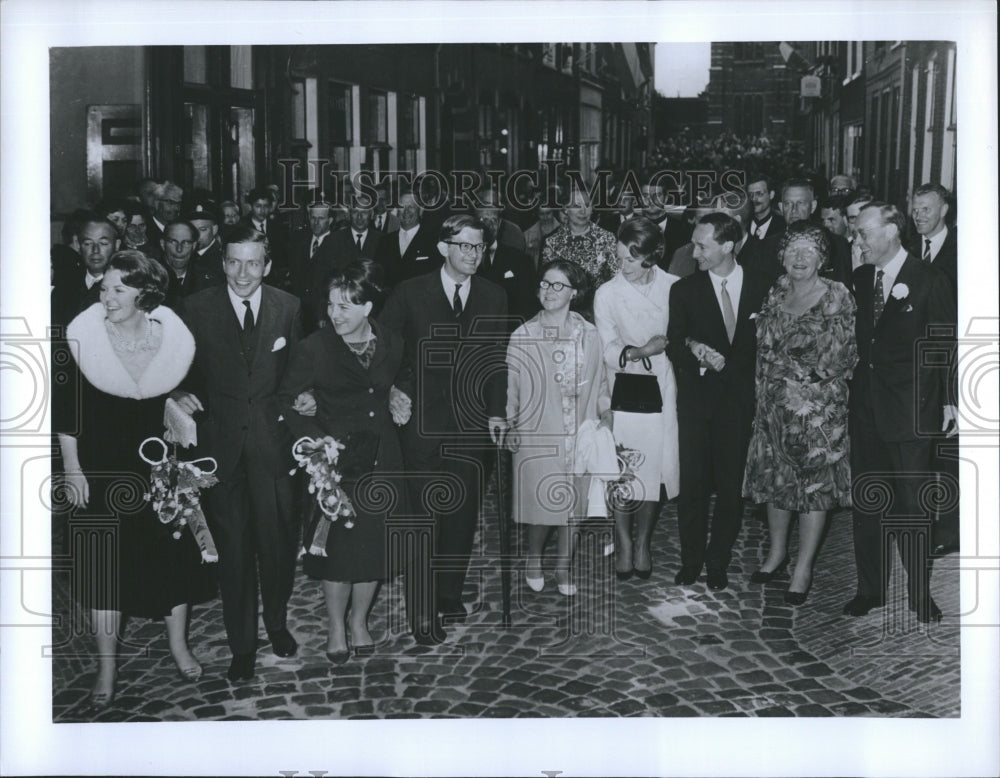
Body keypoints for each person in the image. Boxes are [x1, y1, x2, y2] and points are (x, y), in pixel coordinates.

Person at [54, 250, 215, 708]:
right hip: (102, 469)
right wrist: (72, 468)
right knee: (104, 568)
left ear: (145, 293)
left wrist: (183, 394)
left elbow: (197, 385)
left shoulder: (173, 338)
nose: (107, 297)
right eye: (104, 287)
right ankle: (107, 667)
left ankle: (178, 645)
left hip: (161, 467)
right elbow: (66, 410)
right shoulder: (83, 339)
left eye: (118, 289)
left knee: (172, 558)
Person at [171, 225, 303, 681]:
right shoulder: (195, 308)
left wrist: (304, 403)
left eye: (252, 263)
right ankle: (242, 645)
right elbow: (178, 369)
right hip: (221, 450)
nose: (242, 272)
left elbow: (296, 373)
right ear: (222, 262)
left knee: (278, 546)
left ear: (267, 265)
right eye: (233, 262)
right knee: (234, 551)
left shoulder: (289, 307)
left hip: (273, 448)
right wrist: (179, 392)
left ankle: (278, 623)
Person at [379, 214, 509, 645]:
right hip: (419, 424)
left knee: (460, 513)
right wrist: (391, 390)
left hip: (471, 426)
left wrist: (496, 412)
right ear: (443, 248)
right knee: (422, 519)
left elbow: (495, 361)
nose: (474, 255)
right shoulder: (409, 292)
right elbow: (382, 351)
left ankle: (449, 592)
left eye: (479, 247)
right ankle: (422, 611)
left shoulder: (494, 296)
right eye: (466, 246)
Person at [279, 260, 408, 662]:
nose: (334, 314)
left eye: (345, 307)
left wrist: (398, 393)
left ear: (367, 308)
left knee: (373, 548)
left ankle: (359, 622)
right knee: (337, 550)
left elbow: (397, 379)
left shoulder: (391, 340)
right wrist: (318, 442)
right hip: (334, 461)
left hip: (382, 457)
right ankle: (337, 625)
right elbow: (289, 402)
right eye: (331, 305)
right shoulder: (313, 349)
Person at [844, 203, 957, 623]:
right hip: (866, 411)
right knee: (867, 506)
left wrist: (949, 400)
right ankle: (869, 591)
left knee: (913, 509)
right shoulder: (859, 280)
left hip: (912, 411)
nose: (858, 242)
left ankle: (920, 595)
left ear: (892, 231)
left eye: (864, 234)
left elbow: (944, 345)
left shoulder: (928, 280)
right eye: (856, 234)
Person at [743, 222, 858, 604]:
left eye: (809, 250)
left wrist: (795, 379)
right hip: (772, 410)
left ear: (822, 258)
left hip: (816, 414)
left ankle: (804, 567)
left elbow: (841, 355)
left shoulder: (836, 295)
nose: (799, 258)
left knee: (813, 490)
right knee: (776, 482)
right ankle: (777, 553)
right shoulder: (776, 291)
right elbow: (763, 347)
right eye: (793, 250)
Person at [666, 212, 772, 591]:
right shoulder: (684, 290)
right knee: (692, 485)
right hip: (696, 403)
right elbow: (674, 342)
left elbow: (767, 345)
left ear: (728, 245)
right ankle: (691, 559)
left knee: (730, 487)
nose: (695, 253)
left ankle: (718, 560)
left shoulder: (763, 286)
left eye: (702, 246)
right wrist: (693, 348)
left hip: (740, 404)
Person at [506, 259, 611, 595]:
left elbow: (602, 381)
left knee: (574, 507)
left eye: (557, 286)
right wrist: (509, 423)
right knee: (542, 501)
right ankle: (534, 558)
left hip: (580, 429)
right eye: (545, 284)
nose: (548, 291)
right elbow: (512, 385)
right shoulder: (524, 334)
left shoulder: (590, 334)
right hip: (539, 430)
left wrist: (605, 412)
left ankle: (564, 567)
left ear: (574, 293)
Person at [594, 217, 681, 580]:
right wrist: (641, 350)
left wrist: (663, 349)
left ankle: (643, 541)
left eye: (630, 259)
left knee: (652, 469)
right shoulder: (607, 294)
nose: (622, 266)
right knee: (623, 469)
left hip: (661, 386)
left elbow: (681, 335)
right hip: (623, 388)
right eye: (619, 259)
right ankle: (623, 540)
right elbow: (606, 345)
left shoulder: (674, 287)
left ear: (651, 256)